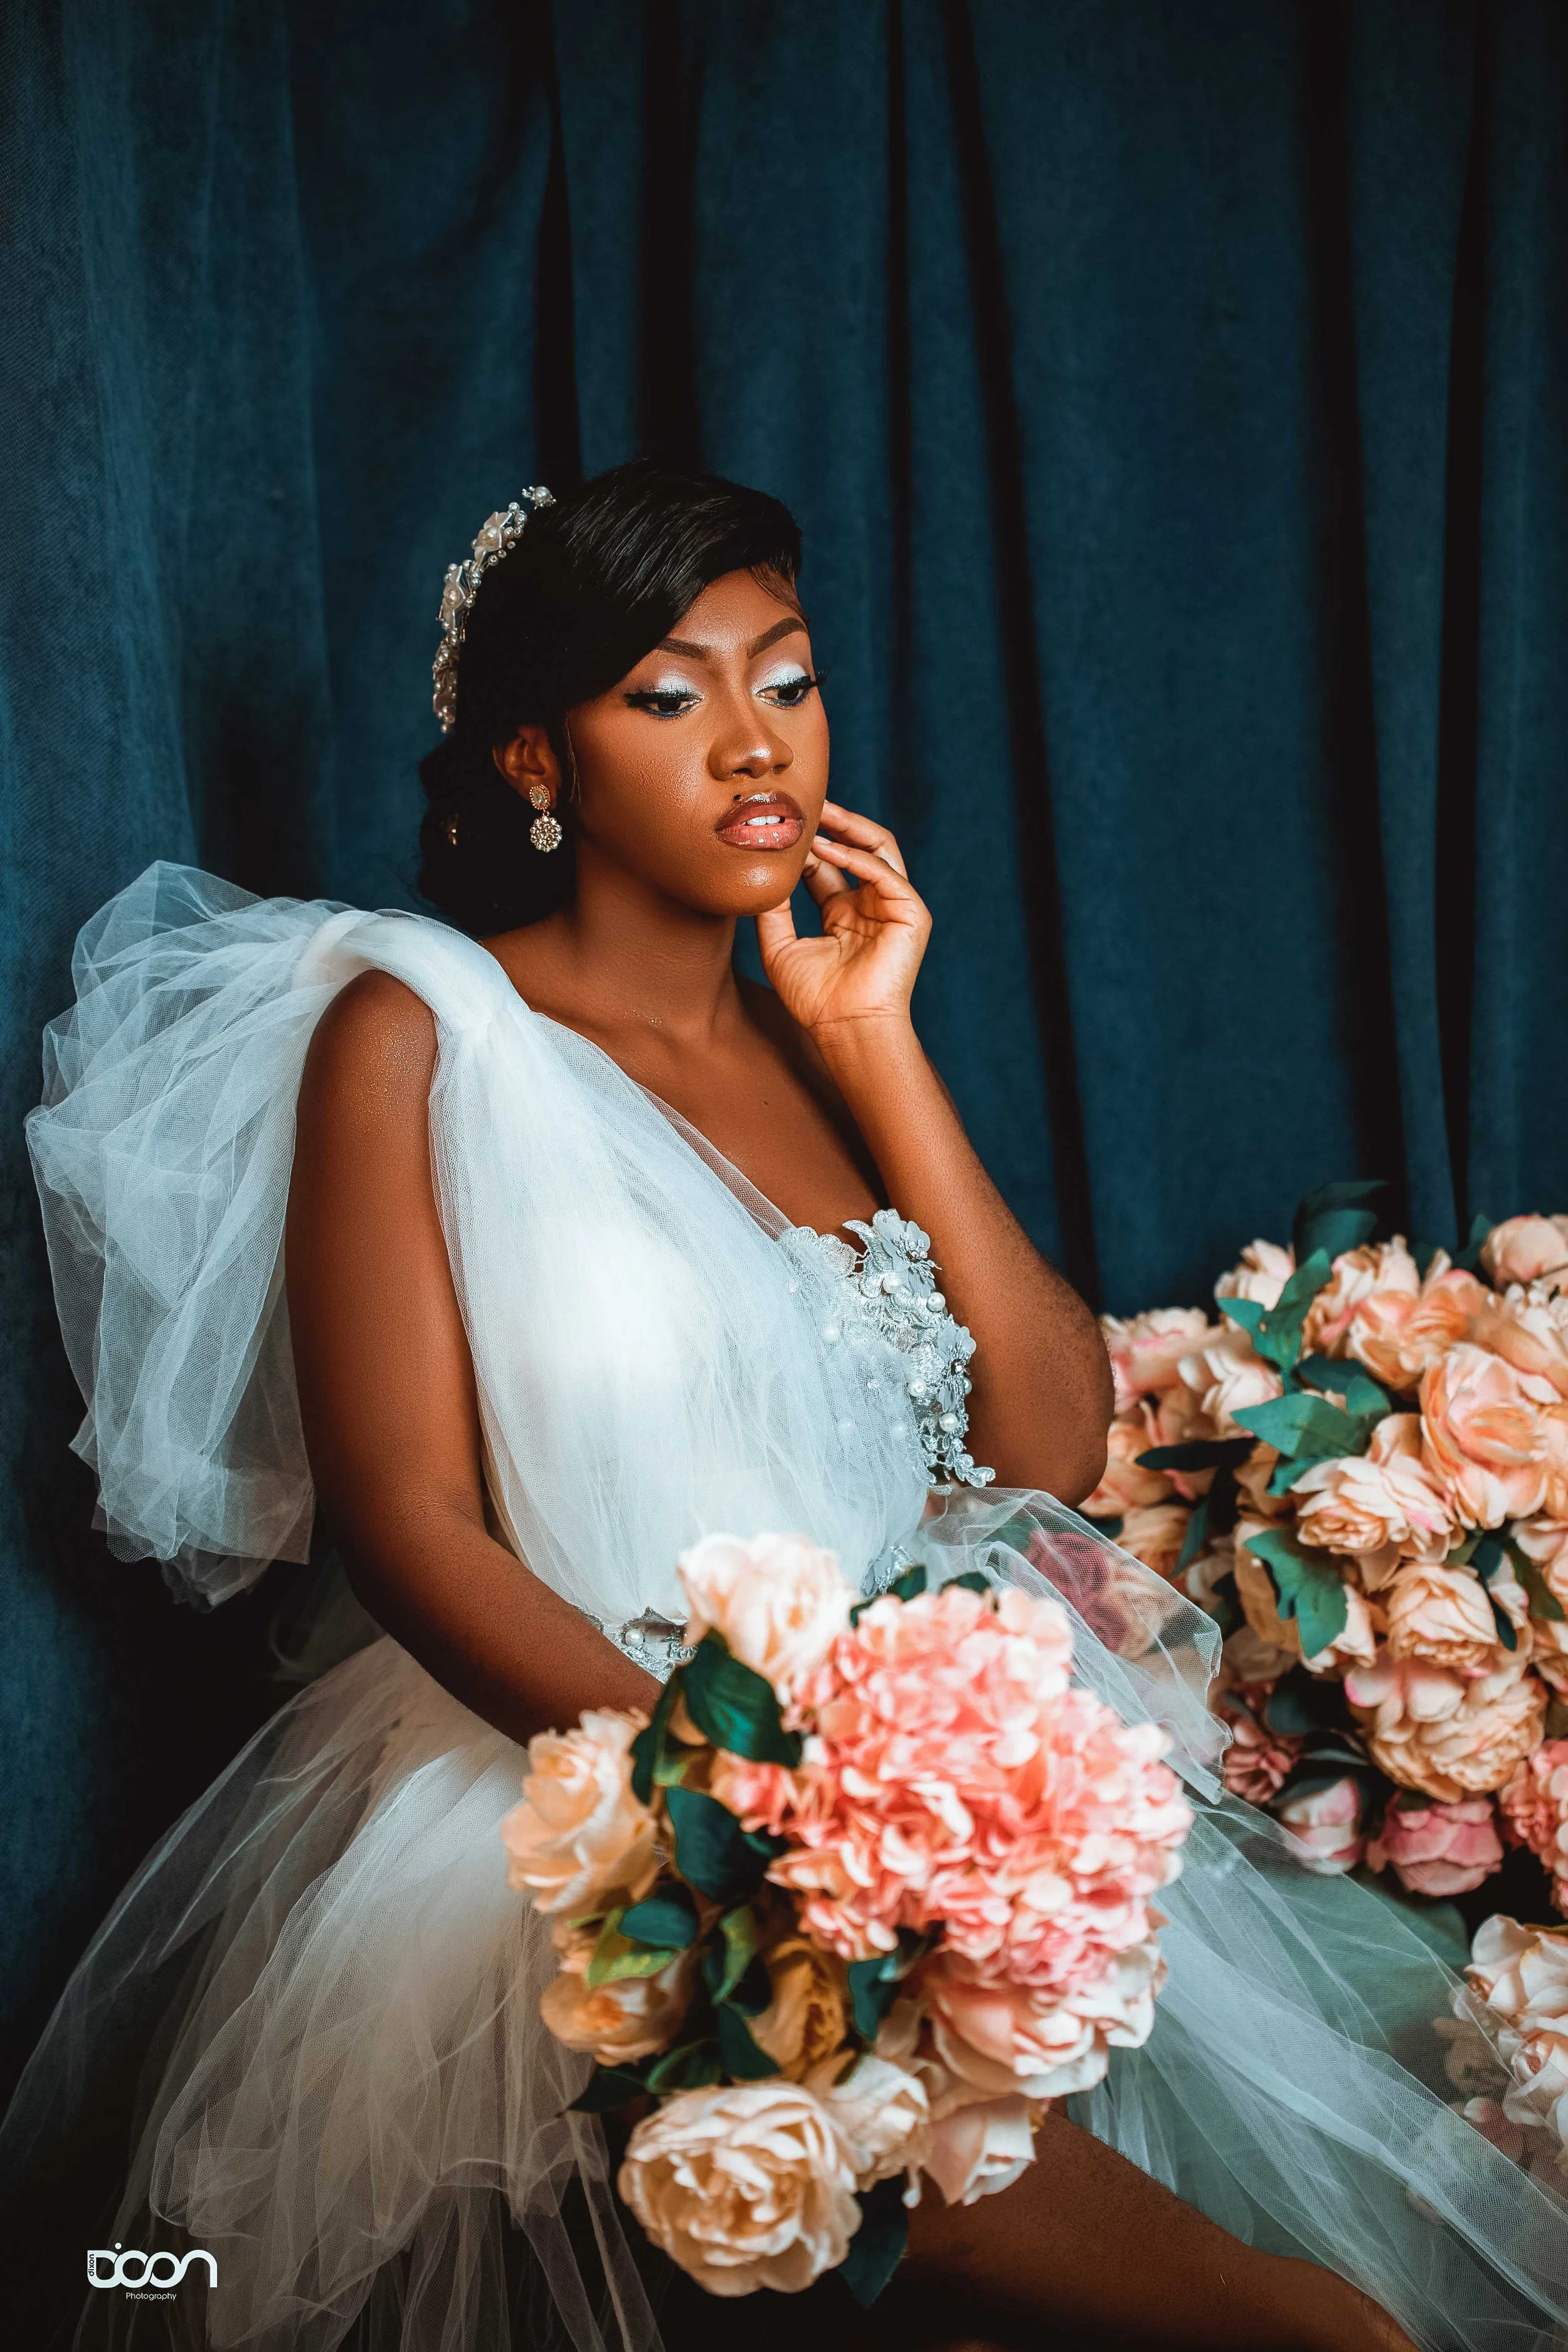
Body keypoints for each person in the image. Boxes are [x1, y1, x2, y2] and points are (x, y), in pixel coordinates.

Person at [4, 460, 1565, 2352]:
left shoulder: (801, 1046)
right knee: (1289, 2321)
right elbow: (409, 1526)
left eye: (787, 676)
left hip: (921, 1794)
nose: (754, 744)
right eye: (668, 695)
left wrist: (873, 1041)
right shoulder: (417, 1026)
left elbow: (1046, 1441)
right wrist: (753, 1800)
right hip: (593, 1792)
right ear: (531, 760)